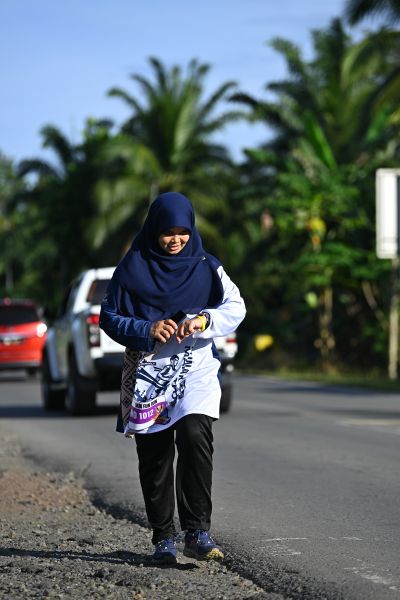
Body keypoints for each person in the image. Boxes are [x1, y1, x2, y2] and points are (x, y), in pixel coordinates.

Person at [99, 192, 246, 564]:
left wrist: (204, 320)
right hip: (147, 374)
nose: (176, 239)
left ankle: (197, 532)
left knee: (196, 434)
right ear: (154, 230)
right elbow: (109, 318)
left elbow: (235, 307)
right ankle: (163, 537)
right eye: (168, 232)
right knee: (155, 453)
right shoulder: (131, 268)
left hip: (195, 368)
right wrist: (147, 328)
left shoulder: (207, 266)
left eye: (183, 232)